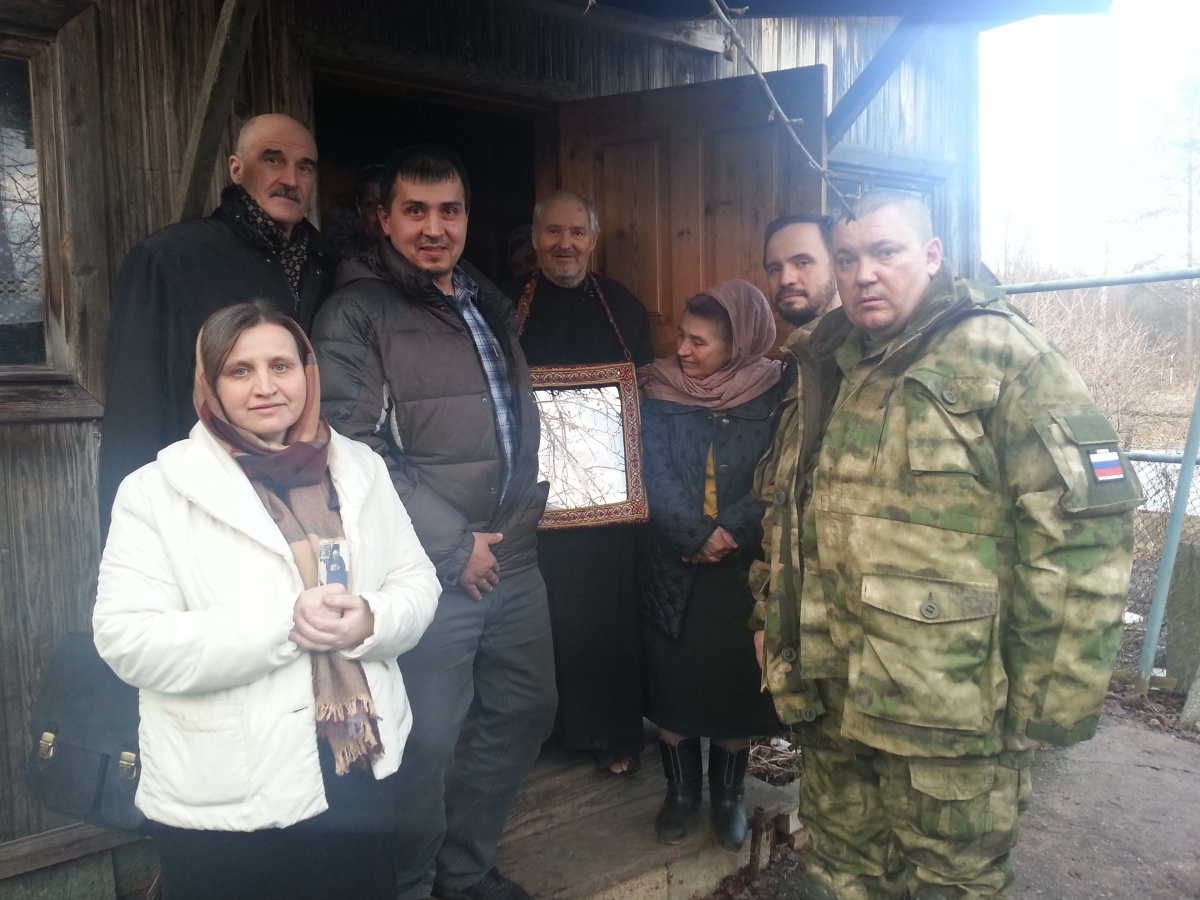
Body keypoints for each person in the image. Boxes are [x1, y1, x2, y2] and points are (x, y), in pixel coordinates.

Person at [751, 190, 1143, 899]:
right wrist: (768, 622)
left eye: (886, 252)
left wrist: (1047, 706)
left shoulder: (1002, 353)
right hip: (831, 695)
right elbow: (788, 512)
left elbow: (1082, 534)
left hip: (950, 712)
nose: (865, 273)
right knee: (839, 876)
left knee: (950, 884)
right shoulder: (823, 361)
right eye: (848, 258)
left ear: (931, 256)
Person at [92, 301, 440, 900]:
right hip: (229, 788)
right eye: (239, 370)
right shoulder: (155, 491)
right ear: (210, 384)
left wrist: (369, 620)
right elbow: (128, 638)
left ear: (308, 371)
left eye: (281, 365)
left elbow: (416, 581)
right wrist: (285, 625)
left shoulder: (360, 468)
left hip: (356, 760)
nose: (265, 387)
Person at [312, 146, 556, 900]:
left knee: (526, 710)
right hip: (431, 567)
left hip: (512, 553)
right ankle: (410, 884)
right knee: (426, 740)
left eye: (448, 211)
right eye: (414, 211)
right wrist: (454, 547)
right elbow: (351, 446)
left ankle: (464, 871)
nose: (433, 228)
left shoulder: (483, 301)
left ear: (466, 218)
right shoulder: (356, 313)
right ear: (384, 219)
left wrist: (510, 527)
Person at [98, 113, 334, 534]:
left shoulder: (325, 263)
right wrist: (135, 530)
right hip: (208, 500)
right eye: (273, 160)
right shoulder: (172, 258)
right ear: (236, 168)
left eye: (305, 167)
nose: (290, 179)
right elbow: (136, 407)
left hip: (308, 490)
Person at [510, 189, 654, 776]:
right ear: (536, 239)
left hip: (611, 506)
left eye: (576, 233)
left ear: (592, 240)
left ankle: (613, 735)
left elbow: (647, 393)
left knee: (608, 618)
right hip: (536, 505)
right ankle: (552, 730)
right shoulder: (506, 310)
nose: (564, 244)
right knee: (544, 618)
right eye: (553, 232)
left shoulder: (624, 307)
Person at [637, 279, 784, 851]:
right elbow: (651, 470)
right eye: (682, 336)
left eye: (699, 342)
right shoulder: (658, 391)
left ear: (737, 344)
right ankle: (680, 795)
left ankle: (728, 797)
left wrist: (731, 534)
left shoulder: (774, 395)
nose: (683, 350)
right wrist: (695, 536)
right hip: (674, 567)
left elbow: (776, 476)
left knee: (732, 689)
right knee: (674, 685)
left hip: (741, 573)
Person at [761, 213, 840, 329]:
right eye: (775, 269)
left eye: (802, 263)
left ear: (837, 265)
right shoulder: (803, 338)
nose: (785, 280)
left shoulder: (864, 336)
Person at [325, 163, 387, 260]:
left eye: (387, 202)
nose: (381, 213)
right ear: (358, 210)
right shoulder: (349, 262)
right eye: (370, 204)